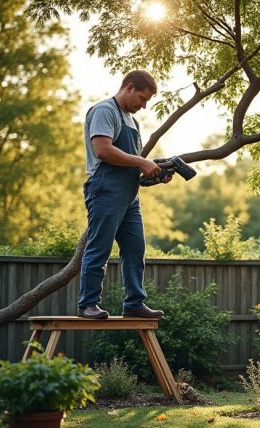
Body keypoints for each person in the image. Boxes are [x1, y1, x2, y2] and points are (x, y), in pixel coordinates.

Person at [77, 70, 167, 320]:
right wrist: (141, 161)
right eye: (142, 98)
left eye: (147, 101)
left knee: (135, 248)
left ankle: (134, 304)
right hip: (105, 188)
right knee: (100, 247)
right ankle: (88, 304)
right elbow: (103, 150)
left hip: (129, 194)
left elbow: (131, 164)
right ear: (129, 87)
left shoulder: (132, 121)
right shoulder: (105, 111)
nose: (143, 105)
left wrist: (152, 175)